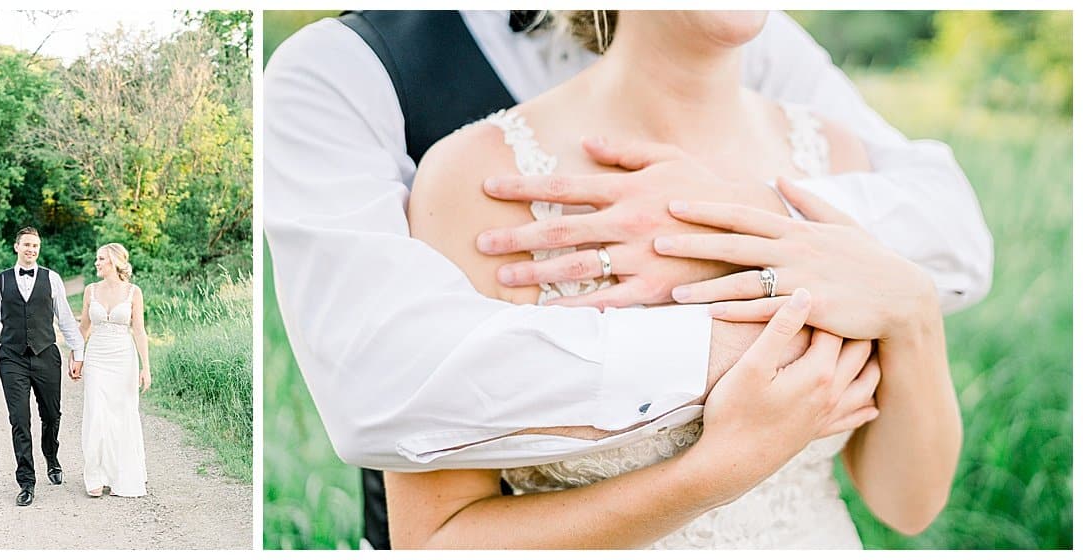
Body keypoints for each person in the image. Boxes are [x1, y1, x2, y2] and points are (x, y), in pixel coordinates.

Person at [264, 10, 991, 548]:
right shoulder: (480, 181)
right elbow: (434, 530)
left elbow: (908, 505)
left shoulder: (830, 153)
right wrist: (712, 471)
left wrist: (912, 309)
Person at [0, 226, 85, 507]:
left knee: (52, 415)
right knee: (19, 420)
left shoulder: (52, 279)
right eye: (26, 244)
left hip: (46, 355)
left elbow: (64, 318)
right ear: (16, 247)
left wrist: (78, 351)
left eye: (35, 246)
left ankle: (51, 455)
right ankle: (26, 481)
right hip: (12, 358)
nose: (31, 250)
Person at [78, 242, 151, 498]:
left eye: (101, 259)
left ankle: (120, 473)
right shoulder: (91, 291)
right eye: (97, 259)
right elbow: (84, 328)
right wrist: (76, 357)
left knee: (121, 414)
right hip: (97, 357)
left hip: (123, 358)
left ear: (116, 262)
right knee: (97, 413)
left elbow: (139, 330)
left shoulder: (133, 292)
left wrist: (146, 367)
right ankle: (95, 474)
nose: (97, 263)